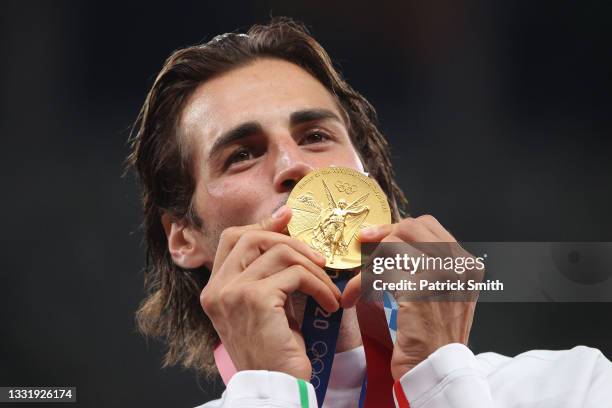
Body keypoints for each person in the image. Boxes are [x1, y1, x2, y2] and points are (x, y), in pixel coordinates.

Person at [126, 17, 611, 407]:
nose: (294, 166)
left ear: (370, 179)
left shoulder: (575, 386)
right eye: (243, 154)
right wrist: (266, 391)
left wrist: (440, 374)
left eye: (316, 136)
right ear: (184, 237)